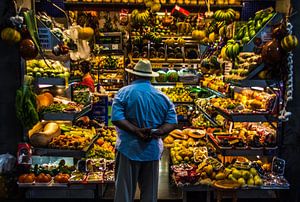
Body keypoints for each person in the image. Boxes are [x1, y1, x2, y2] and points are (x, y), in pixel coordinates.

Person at [111, 59, 178, 202]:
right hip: (152, 150)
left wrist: (136, 131)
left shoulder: (123, 93)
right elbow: (172, 122)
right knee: (150, 195)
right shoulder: (163, 97)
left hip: (127, 149)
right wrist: (158, 132)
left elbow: (116, 118)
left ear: (134, 75)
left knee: (124, 193)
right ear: (150, 77)